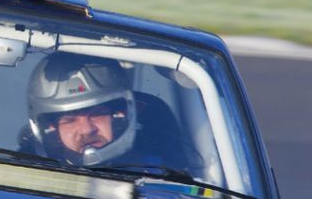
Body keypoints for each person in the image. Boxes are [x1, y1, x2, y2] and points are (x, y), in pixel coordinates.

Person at [25, 53, 197, 170]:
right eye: (69, 120)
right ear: (51, 130)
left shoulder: (165, 179)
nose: (87, 129)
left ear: (122, 116)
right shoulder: (23, 180)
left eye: (98, 114)